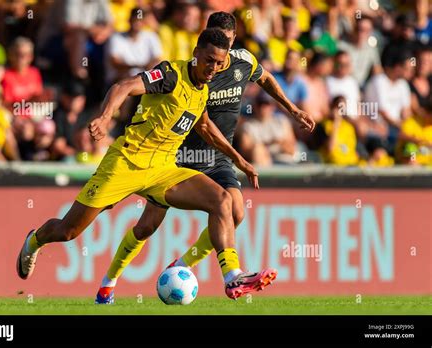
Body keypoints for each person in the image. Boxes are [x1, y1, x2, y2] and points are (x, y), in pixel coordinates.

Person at [16, 29, 275, 302]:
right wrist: (105, 118)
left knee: (222, 200)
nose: (213, 68)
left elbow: (206, 128)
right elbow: (124, 87)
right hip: (126, 162)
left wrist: (240, 160)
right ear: (196, 52)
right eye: (209, 60)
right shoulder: (171, 74)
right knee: (68, 231)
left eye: (219, 63)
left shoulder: (202, 90)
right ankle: (35, 240)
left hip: (163, 169)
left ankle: (232, 276)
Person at [94, 13, 315, 304]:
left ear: (234, 39)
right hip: (179, 154)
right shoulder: (196, 68)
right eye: (214, 36)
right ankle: (109, 283)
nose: (219, 51)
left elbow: (266, 79)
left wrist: (292, 109)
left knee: (235, 212)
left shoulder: (243, 62)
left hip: (217, 155)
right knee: (147, 226)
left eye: (227, 39)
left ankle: (196, 268)